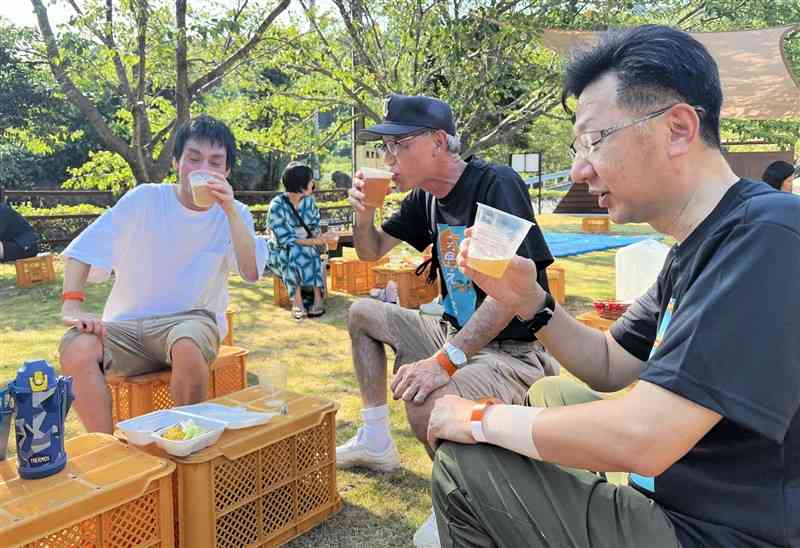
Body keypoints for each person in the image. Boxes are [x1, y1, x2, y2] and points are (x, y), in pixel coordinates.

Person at [427, 25, 800, 548]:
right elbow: (609, 364)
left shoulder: (772, 235)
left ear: (677, 129)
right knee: (551, 391)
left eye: (594, 140)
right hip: (672, 499)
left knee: (465, 462)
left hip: (716, 532)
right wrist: (528, 300)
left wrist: (480, 418)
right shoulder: (693, 249)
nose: (580, 170)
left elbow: (646, 436)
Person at [337, 93, 558, 547]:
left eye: (400, 144)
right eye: (386, 147)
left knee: (429, 401)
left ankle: (459, 506)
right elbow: (370, 251)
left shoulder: (494, 184)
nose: (389, 157)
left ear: (439, 141)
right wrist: (363, 214)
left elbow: (510, 295)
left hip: (514, 350)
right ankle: (377, 439)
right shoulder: (425, 199)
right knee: (360, 313)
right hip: (454, 329)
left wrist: (444, 361)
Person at [58, 115, 266, 434]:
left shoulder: (235, 214)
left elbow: (250, 272)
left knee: (187, 343)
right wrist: (72, 305)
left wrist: (230, 211)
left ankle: (186, 442)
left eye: (215, 162)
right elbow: (85, 247)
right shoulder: (146, 199)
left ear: (226, 171)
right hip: (126, 327)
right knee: (76, 347)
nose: (203, 169)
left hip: (192, 321)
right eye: (193, 159)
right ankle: (105, 446)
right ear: (176, 162)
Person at [267, 162, 336, 319]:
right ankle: (298, 300)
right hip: (281, 251)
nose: (313, 184)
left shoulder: (308, 202)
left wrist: (323, 238)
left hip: (307, 246)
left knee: (304, 250)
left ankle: (314, 299)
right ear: (300, 184)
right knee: (295, 251)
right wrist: (316, 242)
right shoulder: (277, 206)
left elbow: (314, 227)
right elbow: (285, 240)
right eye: (310, 180)